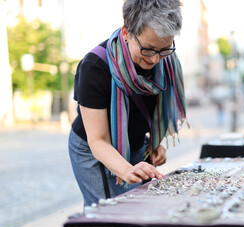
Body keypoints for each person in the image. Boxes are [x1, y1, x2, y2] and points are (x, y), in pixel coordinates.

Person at [68, 0, 186, 207]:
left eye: (165, 49)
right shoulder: (95, 67)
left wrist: (154, 143)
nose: (156, 59)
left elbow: (147, 113)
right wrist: (126, 170)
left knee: (142, 211)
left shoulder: (167, 61)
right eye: (148, 49)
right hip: (95, 148)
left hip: (135, 144)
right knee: (106, 218)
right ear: (126, 33)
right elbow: (98, 140)